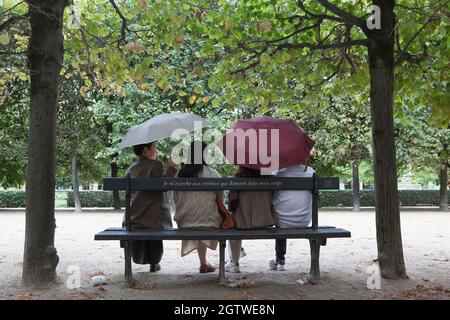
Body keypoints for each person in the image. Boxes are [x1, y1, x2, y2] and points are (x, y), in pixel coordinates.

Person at [125, 141, 176, 272]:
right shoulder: (156, 165)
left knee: (149, 216)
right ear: (145, 150)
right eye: (153, 147)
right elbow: (164, 187)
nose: (155, 149)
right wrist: (171, 168)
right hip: (154, 219)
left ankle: (142, 259)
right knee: (155, 213)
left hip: (133, 218)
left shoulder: (130, 169)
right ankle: (154, 262)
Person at [173, 141, 222, 273]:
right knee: (205, 215)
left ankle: (203, 263)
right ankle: (204, 263)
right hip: (210, 222)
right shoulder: (213, 174)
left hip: (185, 221)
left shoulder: (180, 174)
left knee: (198, 216)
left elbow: (175, 199)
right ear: (203, 154)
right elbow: (220, 200)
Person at [226, 166, 275, 273]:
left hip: (243, 223)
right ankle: (238, 254)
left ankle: (234, 263)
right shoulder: (269, 178)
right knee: (235, 225)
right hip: (265, 221)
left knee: (232, 228)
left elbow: (232, 204)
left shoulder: (238, 178)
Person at [270, 164, 315, 271]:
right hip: (304, 220)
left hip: (281, 222)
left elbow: (272, 196)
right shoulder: (311, 172)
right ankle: (314, 264)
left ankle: (280, 259)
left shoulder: (279, 173)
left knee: (280, 218)